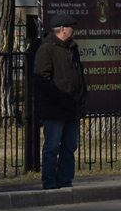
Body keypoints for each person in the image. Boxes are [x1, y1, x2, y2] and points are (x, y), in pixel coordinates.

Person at [34, 13, 86, 190]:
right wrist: (59, 98)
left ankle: (65, 180)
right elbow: (42, 79)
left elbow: (78, 76)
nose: (74, 30)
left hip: (71, 107)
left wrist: (80, 99)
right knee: (52, 147)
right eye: (71, 26)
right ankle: (49, 181)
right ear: (63, 29)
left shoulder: (72, 49)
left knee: (69, 146)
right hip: (55, 108)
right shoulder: (47, 49)